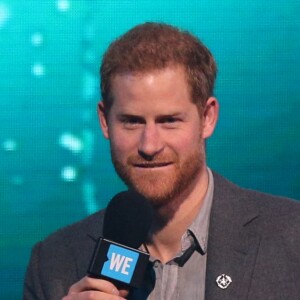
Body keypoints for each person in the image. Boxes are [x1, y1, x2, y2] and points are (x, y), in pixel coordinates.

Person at [24, 22, 300, 300]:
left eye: (169, 121)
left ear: (207, 118)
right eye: (131, 122)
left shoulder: (292, 238)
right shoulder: (52, 264)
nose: (149, 145)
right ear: (104, 122)